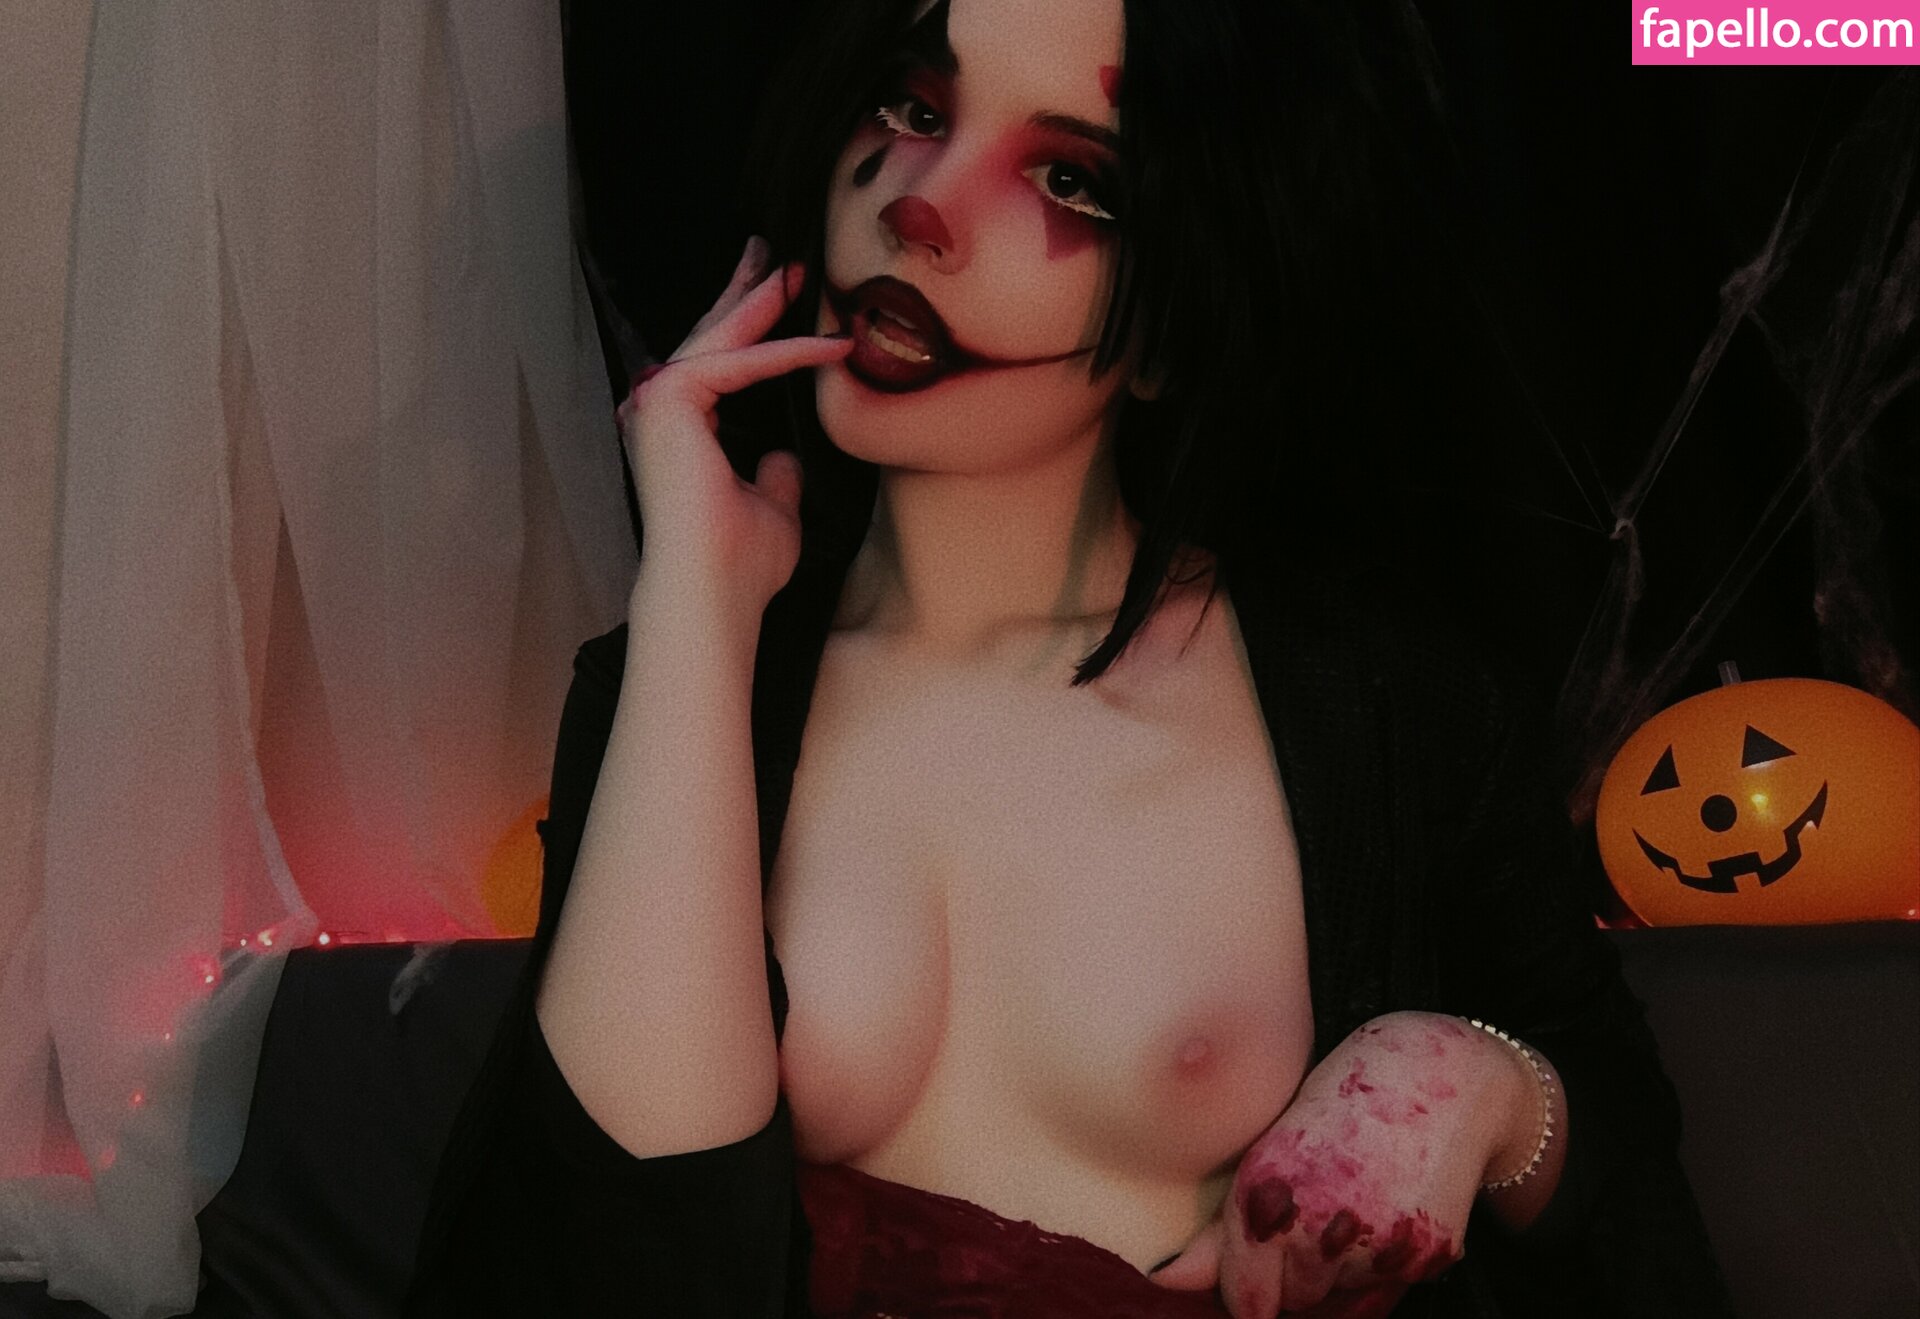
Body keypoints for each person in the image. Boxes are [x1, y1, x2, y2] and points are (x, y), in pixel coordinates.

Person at [408, 0, 1737, 1314]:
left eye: (1069, 180)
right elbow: (604, 1257)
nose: (922, 204)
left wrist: (1476, 1087)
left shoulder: (1395, 707)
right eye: (914, 107)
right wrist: (696, 604)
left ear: (1174, 319)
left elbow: (1633, 1185)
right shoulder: (682, 685)